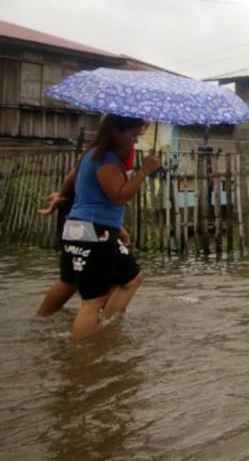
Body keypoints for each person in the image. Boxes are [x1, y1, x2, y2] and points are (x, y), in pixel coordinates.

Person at [60, 115, 160, 341]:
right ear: (116, 132)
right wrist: (143, 172)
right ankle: (82, 358)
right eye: (133, 135)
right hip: (94, 232)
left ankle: (105, 329)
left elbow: (95, 197)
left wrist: (117, 227)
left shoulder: (97, 155)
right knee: (92, 301)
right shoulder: (105, 159)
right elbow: (117, 196)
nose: (135, 141)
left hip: (93, 228)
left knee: (132, 279)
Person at [36, 143, 139, 317]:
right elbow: (116, 195)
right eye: (139, 126)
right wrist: (62, 197)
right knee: (111, 283)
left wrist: (117, 226)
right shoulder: (108, 151)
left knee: (72, 280)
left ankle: (40, 320)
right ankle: (101, 328)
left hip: (85, 218)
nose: (142, 129)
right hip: (89, 219)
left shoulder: (114, 150)